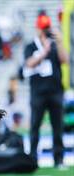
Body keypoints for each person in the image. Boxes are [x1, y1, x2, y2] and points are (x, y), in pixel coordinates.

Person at [23, 14, 68, 167]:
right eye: (43, 28)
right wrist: (44, 51)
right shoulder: (31, 46)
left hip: (55, 92)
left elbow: (65, 60)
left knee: (58, 126)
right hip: (38, 94)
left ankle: (59, 159)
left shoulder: (55, 45)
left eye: (47, 28)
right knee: (35, 126)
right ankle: (33, 159)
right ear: (38, 29)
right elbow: (29, 63)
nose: (46, 31)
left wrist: (60, 41)